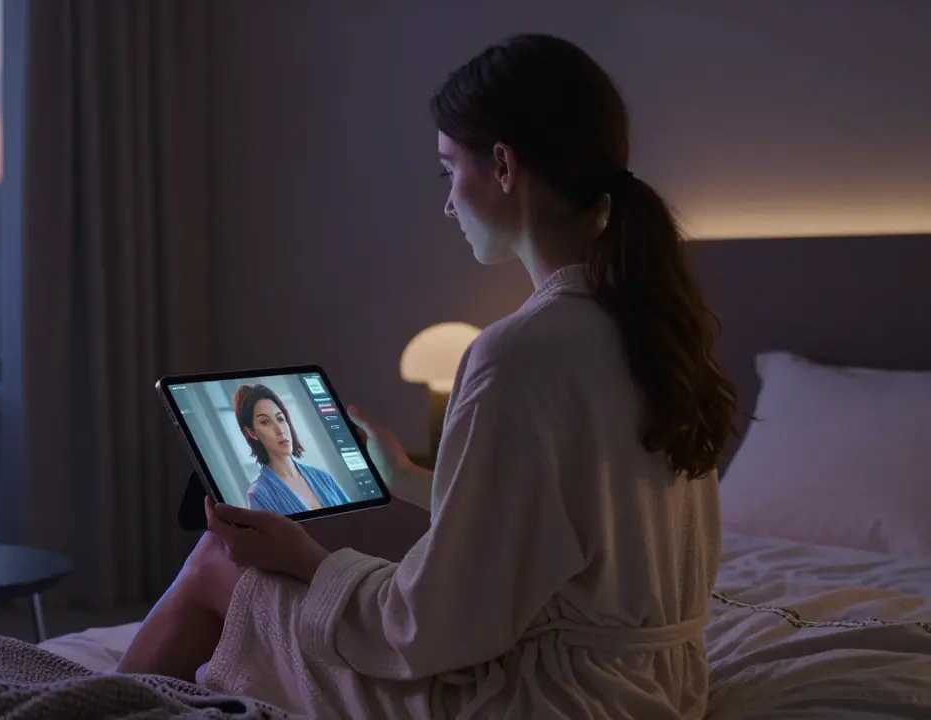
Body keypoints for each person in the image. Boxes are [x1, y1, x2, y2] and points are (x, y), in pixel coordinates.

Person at [117, 33, 738, 719]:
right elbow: (567, 529)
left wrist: (302, 557)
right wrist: (406, 476)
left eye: (449, 171)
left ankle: (87, 705)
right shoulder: (654, 328)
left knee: (215, 561)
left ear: (502, 164)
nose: (447, 204)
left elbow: (429, 629)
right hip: (662, 691)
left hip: (549, 702)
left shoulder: (516, 354)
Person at [232, 383, 352, 513]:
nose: (280, 430)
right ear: (251, 432)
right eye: (265, 422)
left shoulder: (323, 477)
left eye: (280, 419)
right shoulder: (259, 494)